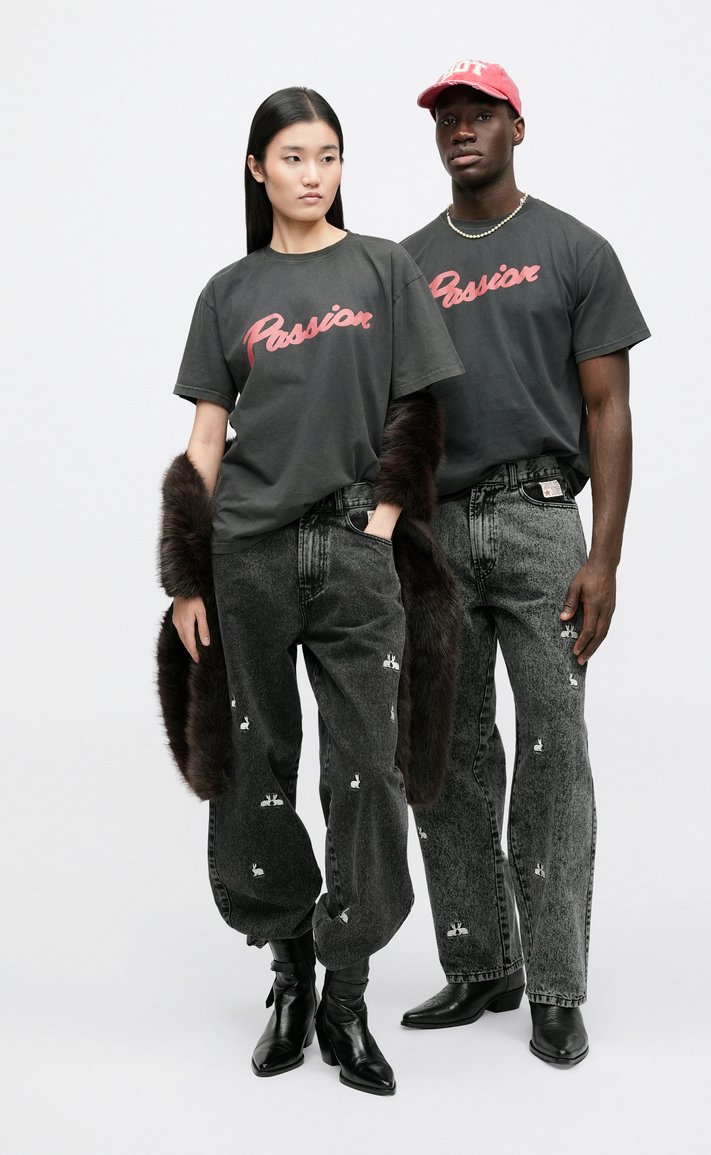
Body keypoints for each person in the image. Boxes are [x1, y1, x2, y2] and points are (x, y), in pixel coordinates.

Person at [155, 86, 463, 1096]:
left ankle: (347, 994)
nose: (312, 173)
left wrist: (383, 519)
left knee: (367, 767)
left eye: (327, 155)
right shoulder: (228, 292)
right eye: (293, 156)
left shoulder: (383, 268)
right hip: (245, 557)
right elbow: (206, 440)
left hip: (353, 551)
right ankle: (288, 975)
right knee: (255, 761)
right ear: (258, 169)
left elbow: (419, 407)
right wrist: (186, 572)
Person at [399, 60, 650, 1066]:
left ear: (516, 128)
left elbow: (607, 408)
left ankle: (552, 984)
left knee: (552, 747)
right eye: (446, 120)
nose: (461, 130)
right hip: (431, 531)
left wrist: (605, 557)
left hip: (540, 519)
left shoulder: (574, 249)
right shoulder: (404, 264)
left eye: (480, 116)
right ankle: (479, 964)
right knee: (446, 752)